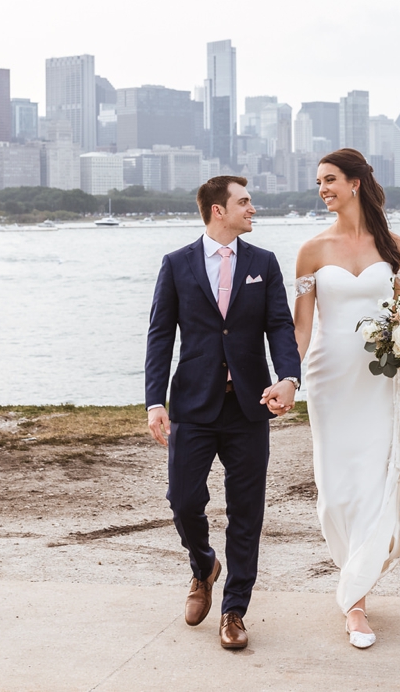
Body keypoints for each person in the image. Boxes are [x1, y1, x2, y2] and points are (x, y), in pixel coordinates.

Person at [291, 148, 400, 649]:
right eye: (319, 182)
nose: (323, 190)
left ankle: (355, 602)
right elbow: (300, 329)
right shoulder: (311, 252)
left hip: (382, 382)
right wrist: (288, 380)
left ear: (357, 182)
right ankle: (355, 581)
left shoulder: (397, 248)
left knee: (379, 482)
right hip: (330, 380)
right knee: (337, 490)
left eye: (331, 180)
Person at [143, 175, 301, 651]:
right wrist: (155, 402)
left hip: (250, 406)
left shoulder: (264, 263)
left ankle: (234, 610)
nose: (253, 209)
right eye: (245, 202)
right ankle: (203, 565)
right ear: (218, 210)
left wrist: (289, 379)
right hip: (192, 404)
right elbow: (159, 336)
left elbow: (280, 326)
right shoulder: (176, 265)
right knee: (183, 500)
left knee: (246, 512)